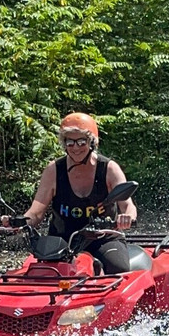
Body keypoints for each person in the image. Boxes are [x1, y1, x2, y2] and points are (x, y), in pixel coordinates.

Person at [12, 112, 138, 274]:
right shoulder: (54, 170)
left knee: (118, 268)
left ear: (92, 141)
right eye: (70, 142)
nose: (75, 147)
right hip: (62, 240)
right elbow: (36, 212)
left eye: (81, 141)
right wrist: (18, 223)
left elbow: (128, 205)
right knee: (40, 274)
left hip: (102, 238)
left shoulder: (109, 169)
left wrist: (127, 217)